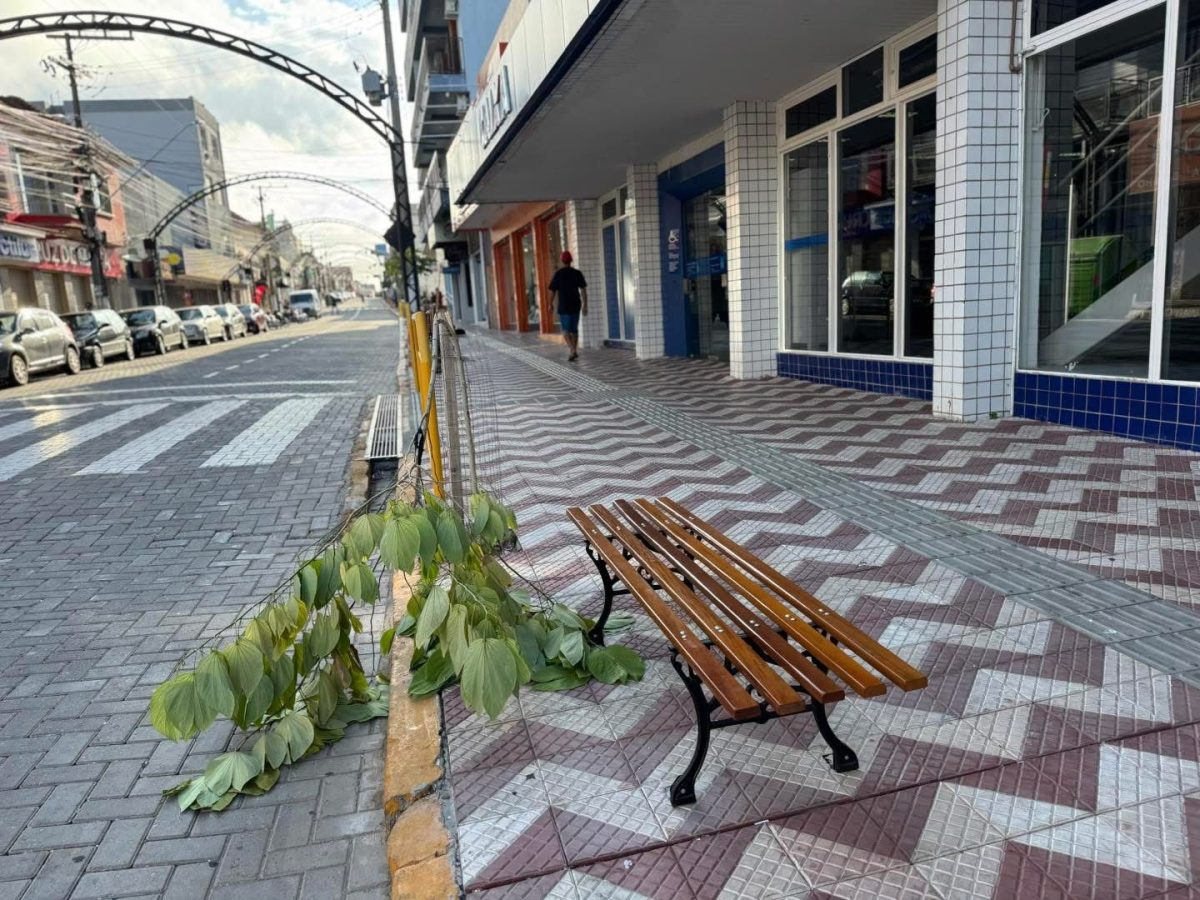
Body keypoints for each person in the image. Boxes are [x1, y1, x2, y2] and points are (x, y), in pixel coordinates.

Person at [547, 250, 587, 361]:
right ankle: (574, 350)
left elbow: (552, 291)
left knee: (565, 330)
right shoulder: (577, 273)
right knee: (574, 329)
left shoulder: (558, 274)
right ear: (571, 260)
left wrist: (550, 304)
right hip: (575, 304)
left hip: (564, 306)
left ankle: (572, 349)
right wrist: (585, 305)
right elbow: (583, 290)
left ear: (562, 260)